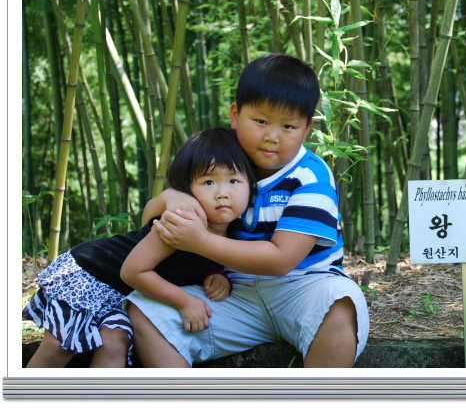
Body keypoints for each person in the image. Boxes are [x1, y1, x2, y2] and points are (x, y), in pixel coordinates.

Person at [126, 53, 370, 368]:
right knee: (145, 310)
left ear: (307, 129)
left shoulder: (311, 177)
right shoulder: (220, 164)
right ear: (235, 115)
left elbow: (281, 260)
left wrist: (200, 241)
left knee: (340, 302)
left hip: (304, 289)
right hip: (232, 294)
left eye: (288, 126)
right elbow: (149, 220)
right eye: (260, 121)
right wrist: (170, 198)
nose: (271, 136)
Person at [22, 127, 256, 368]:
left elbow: (187, 266)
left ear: (251, 185)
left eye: (234, 181)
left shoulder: (238, 231)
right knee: (60, 345)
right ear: (187, 189)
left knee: (114, 342)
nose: (222, 193)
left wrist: (216, 275)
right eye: (208, 182)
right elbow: (133, 271)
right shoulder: (180, 223)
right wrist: (185, 302)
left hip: (123, 295)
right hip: (91, 275)